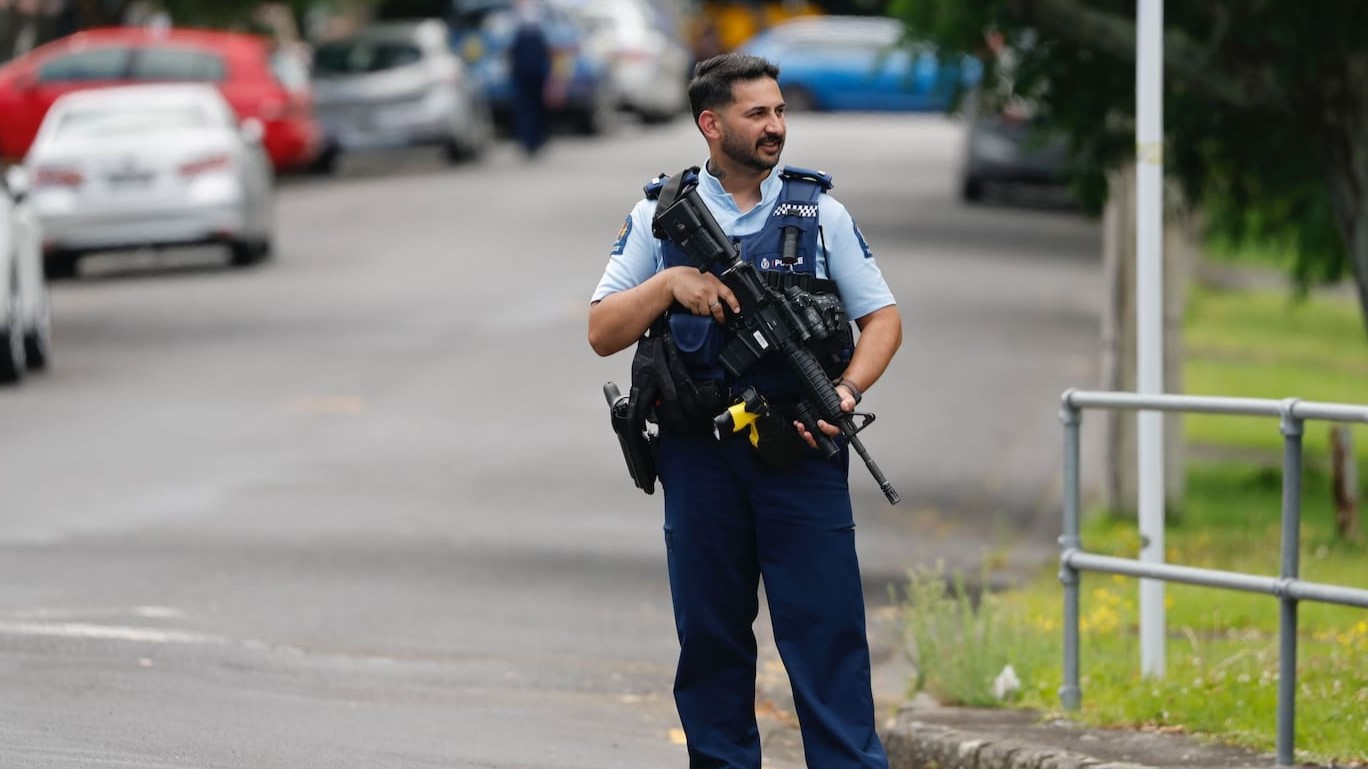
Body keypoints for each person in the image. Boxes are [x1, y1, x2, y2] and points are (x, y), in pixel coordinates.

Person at [587, 53, 902, 769]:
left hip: (801, 450)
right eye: (757, 113)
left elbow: (883, 318)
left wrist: (846, 391)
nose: (775, 126)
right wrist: (670, 284)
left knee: (826, 638)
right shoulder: (658, 215)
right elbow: (603, 329)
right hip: (700, 459)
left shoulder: (819, 209)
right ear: (711, 122)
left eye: (780, 111)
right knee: (712, 642)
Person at [507, 0, 552, 156]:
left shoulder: (541, 13)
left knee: (536, 104)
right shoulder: (512, 18)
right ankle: (527, 141)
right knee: (524, 106)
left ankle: (537, 140)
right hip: (523, 68)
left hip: (535, 66)